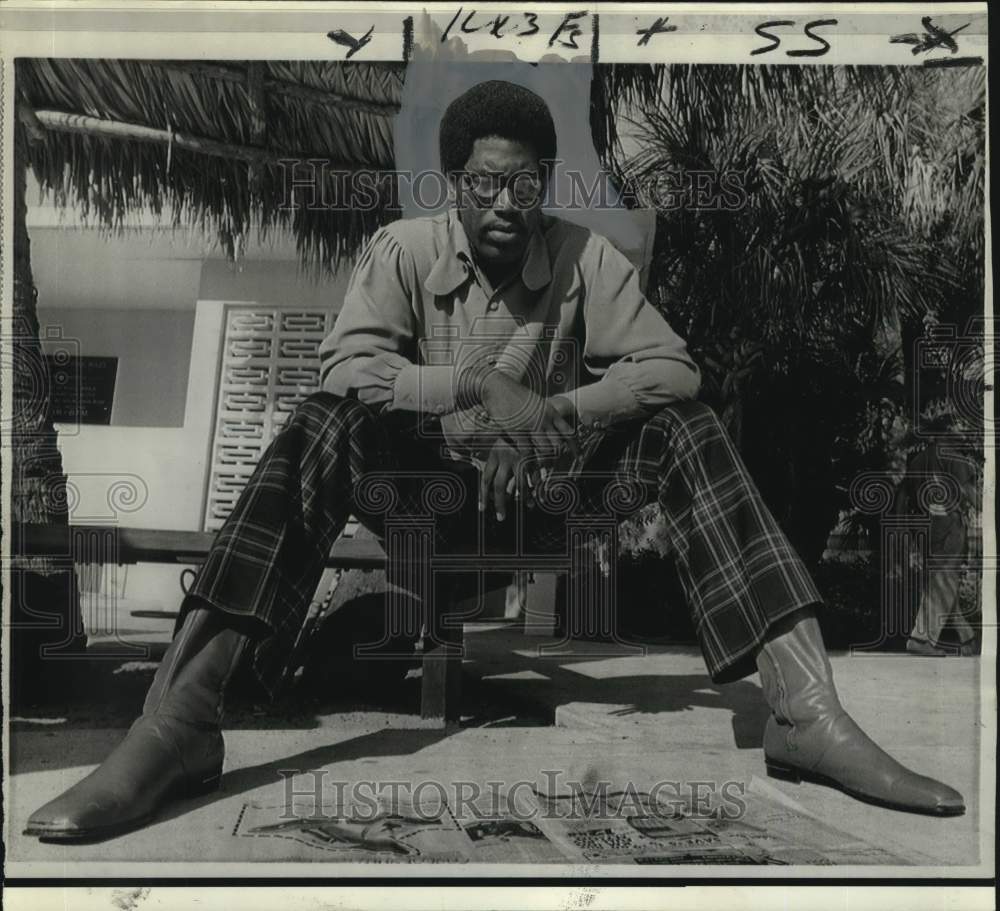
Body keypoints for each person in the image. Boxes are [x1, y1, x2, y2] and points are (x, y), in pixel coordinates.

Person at [26, 80, 964, 841]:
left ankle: (806, 715)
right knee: (323, 417)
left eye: (524, 186)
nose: (505, 204)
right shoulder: (400, 250)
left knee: (688, 424)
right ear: (453, 187)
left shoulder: (588, 258)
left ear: (545, 185)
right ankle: (180, 721)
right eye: (484, 185)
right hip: (427, 506)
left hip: (551, 503)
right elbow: (353, 367)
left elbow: (672, 367)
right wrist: (477, 393)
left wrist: (551, 408)